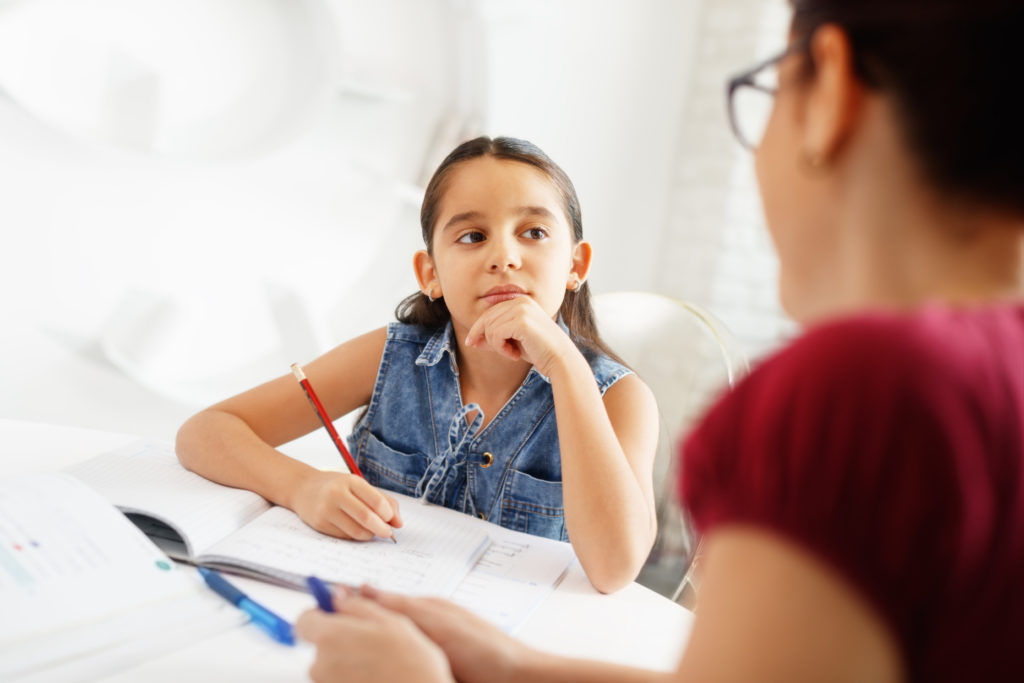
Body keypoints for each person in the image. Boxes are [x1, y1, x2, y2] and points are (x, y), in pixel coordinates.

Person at [293, 0, 1024, 681]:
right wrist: (513, 667)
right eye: (473, 234)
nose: (503, 257)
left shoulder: (851, 393)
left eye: (763, 94)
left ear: (827, 89)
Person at [176, 136, 660, 593]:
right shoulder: (391, 357)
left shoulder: (620, 397)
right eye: (472, 236)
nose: (504, 257)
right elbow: (205, 432)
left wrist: (564, 365)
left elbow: (614, 569)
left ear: (576, 265)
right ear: (431, 274)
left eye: (533, 232)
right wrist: (301, 486)